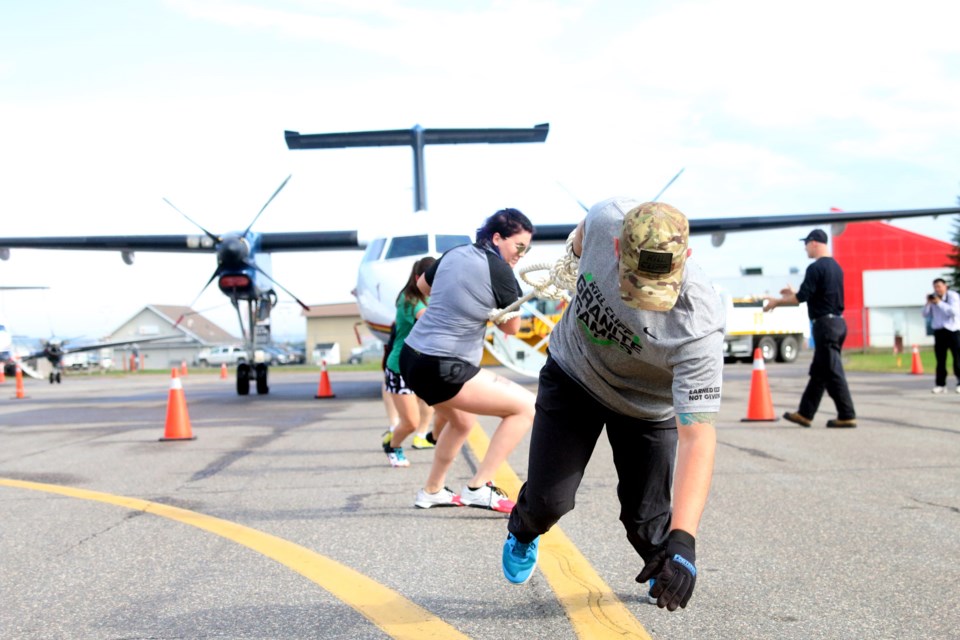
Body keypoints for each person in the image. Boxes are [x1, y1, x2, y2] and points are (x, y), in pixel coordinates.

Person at [501, 199, 724, 613]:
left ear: (686, 257)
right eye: (638, 283)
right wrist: (574, 255)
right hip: (575, 374)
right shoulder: (605, 221)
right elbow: (584, 232)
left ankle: (664, 563)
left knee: (650, 525)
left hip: (645, 407)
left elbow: (698, 436)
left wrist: (685, 542)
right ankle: (523, 529)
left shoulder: (699, 327)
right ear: (617, 246)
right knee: (550, 502)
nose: (644, 303)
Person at [401, 208, 536, 512]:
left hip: (413, 358)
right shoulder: (500, 271)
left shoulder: (454, 252)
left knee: (461, 422)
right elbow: (511, 328)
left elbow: (423, 287)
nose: (521, 255)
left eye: (526, 249)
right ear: (497, 237)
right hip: (443, 364)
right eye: (518, 246)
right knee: (527, 407)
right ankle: (479, 487)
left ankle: (432, 491)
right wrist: (489, 308)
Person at [764, 228, 856, 428]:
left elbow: (802, 297)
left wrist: (776, 302)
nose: (805, 248)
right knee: (819, 372)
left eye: (806, 244)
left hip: (825, 326)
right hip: (838, 323)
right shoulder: (836, 268)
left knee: (832, 371)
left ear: (814, 243)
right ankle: (805, 413)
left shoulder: (815, 268)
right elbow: (816, 294)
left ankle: (847, 414)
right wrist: (795, 292)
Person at [382, 256, 441, 466]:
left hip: (421, 366)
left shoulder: (431, 297)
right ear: (418, 278)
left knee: (447, 409)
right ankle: (392, 446)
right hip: (400, 368)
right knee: (409, 423)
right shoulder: (409, 299)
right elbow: (429, 317)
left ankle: (427, 437)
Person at [922, 278, 960, 393]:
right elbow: (924, 314)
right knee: (940, 360)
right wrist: (928, 303)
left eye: (939, 286)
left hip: (953, 331)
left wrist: (939, 303)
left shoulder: (952, 296)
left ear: (945, 286)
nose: (937, 289)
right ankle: (940, 385)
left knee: (958, 358)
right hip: (939, 332)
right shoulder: (933, 298)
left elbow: (954, 312)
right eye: (935, 287)